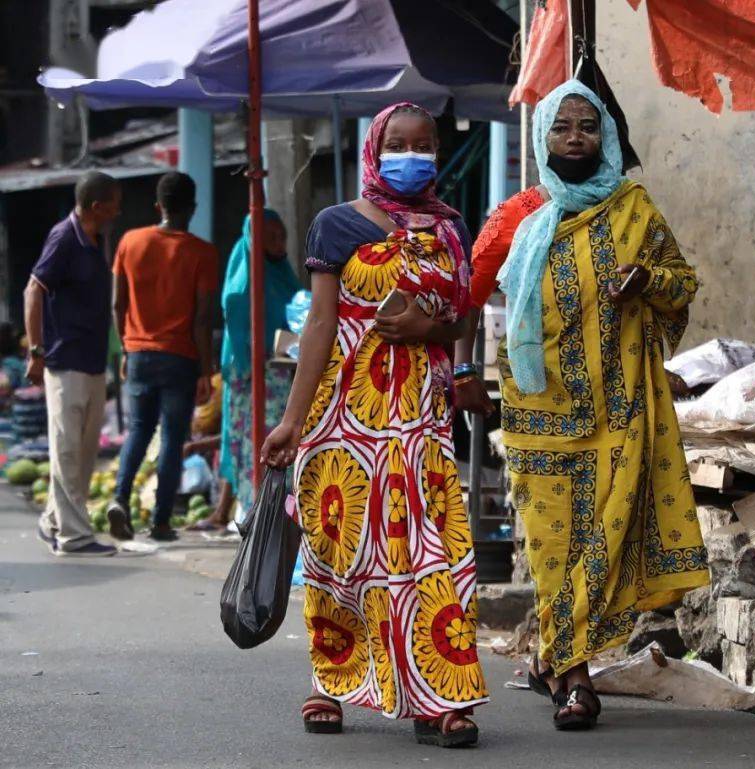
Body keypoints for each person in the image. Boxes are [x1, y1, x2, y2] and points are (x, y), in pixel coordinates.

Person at [458, 80, 709, 730]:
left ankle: (574, 678)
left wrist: (646, 281)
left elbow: (682, 284)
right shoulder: (524, 217)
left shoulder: (634, 209)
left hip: (616, 413)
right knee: (550, 552)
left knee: (600, 548)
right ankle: (562, 661)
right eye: (561, 126)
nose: (575, 137)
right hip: (538, 419)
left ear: (606, 138)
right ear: (542, 138)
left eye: (587, 126)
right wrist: (471, 377)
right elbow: (483, 297)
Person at [261, 102, 488, 747]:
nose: (412, 154)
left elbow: (461, 321)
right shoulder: (335, 225)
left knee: (430, 550)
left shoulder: (449, 229)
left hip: (418, 415)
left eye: (425, 144)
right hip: (343, 419)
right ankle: (330, 680)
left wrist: (431, 330)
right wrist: (291, 421)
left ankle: (440, 695)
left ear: (439, 153)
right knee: (342, 551)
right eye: (398, 143)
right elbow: (321, 324)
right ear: (375, 149)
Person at [107, 172, 217, 542]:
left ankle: (120, 499)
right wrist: (206, 370)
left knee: (138, 429)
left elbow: (117, 303)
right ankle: (161, 520)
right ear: (193, 209)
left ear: (158, 206)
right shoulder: (203, 253)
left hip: (137, 351)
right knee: (172, 437)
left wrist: (125, 346)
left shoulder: (130, 242)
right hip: (180, 358)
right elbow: (202, 318)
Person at [26, 171, 121, 557]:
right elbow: (34, 289)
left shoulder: (96, 240)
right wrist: (36, 350)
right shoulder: (64, 237)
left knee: (82, 454)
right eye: (115, 202)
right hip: (64, 360)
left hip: (93, 360)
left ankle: (52, 520)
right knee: (66, 450)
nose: (119, 210)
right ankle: (74, 537)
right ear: (97, 206)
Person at [192, 210, 300, 531]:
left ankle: (252, 510)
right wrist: (250, 358)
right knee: (242, 439)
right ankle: (240, 510)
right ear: (256, 238)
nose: (280, 244)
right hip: (249, 373)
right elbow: (235, 306)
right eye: (271, 238)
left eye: (282, 237)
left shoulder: (281, 272)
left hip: (278, 371)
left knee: (268, 440)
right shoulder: (246, 272)